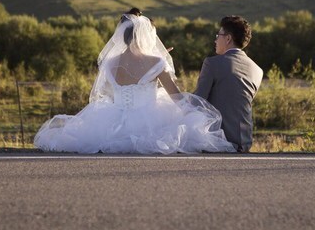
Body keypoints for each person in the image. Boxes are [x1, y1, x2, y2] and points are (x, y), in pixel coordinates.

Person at [34, 10, 235, 154]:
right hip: (149, 121)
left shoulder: (109, 63)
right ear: (146, 36)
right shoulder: (156, 62)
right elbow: (175, 97)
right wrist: (193, 113)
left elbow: (107, 93)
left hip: (112, 120)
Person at [194, 16, 263, 153]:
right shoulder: (257, 70)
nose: (215, 40)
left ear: (228, 38)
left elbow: (197, 102)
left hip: (216, 141)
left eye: (218, 35)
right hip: (244, 142)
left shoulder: (212, 63)